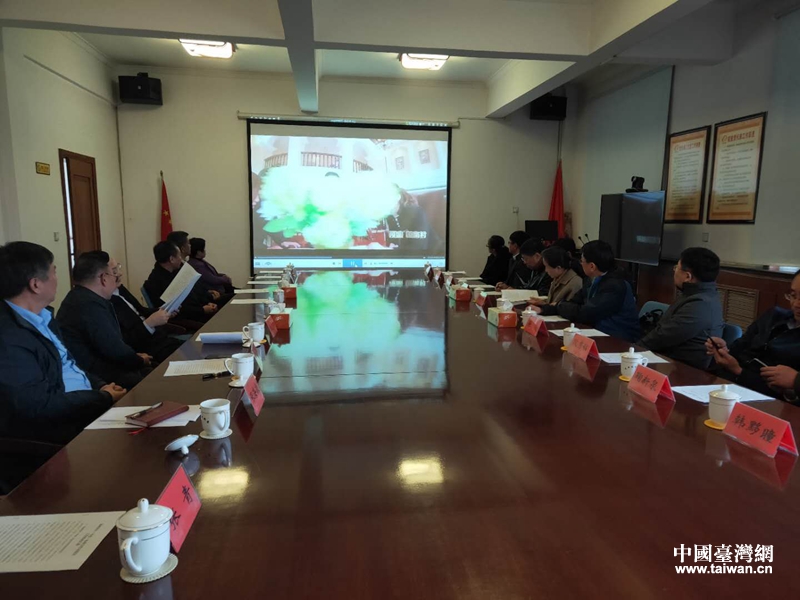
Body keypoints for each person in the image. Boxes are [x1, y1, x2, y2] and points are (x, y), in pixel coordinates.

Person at [0, 242, 126, 445]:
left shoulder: (44, 317)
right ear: (36, 284)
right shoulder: (9, 338)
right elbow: (38, 405)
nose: (57, 279)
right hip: (62, 429)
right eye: (54, 272)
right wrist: (101, 397)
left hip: (87, 404)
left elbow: (70, 364)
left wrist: (100, 385)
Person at [57, 252, 152, 389]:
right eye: (113, 274)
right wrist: (139, 360)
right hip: (98, 379)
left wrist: (135, 358)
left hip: (102, 369)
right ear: (103, 278)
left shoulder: (81, 297)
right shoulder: (88, 305)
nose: (117, 277)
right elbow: (113, 349)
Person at [706, 269, 800, 400]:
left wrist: (795, 381)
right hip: (726, 383)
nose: (796, 304)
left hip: (763, 398)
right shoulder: (774, 316)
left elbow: (781, 390)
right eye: (793, 295)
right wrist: (724, 350)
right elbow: (742, 344)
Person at [534, 240, 641, 341]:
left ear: (592, 266)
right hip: (597, 332)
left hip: (619, 339)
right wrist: (545, 309)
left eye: (582, 261)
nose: (580, 264)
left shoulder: (615, 285)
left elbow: (586, 313)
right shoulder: (591, 279)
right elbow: (573, 302)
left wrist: (559, 306)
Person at [639, 248, 723, 369]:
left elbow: (663, 337)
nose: (674, 271)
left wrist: (634, 350)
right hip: (668, 361)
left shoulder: (699, 305)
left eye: (676, 268)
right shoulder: (700, 294)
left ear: (688, 276)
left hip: (682, 370)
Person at [110, 263, 183, 364]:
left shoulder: (120, 289)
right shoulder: (105, 304)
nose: (120, 273)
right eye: (114, 271)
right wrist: (149, 323)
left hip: (160, 338)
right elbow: (125, 340)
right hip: (147, 349)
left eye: (118, 268)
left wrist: (163, 310)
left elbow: (141, 310)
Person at [144, 241, 218, 328]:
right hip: (180, 320)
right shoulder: (155, 282)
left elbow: (192, 294)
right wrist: (202, 310)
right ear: (171, 259)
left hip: (195, 311)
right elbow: (177, 308)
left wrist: (207, 303)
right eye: (179, 256)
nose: (181, 259)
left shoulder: (175, 272)